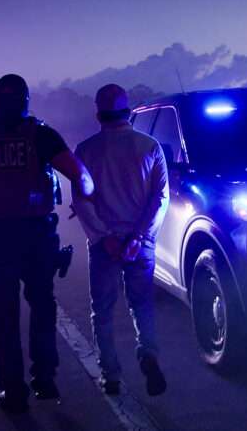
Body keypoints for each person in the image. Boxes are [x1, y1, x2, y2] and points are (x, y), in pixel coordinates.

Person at [0, 74, 94, 413]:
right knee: (42, 307)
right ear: (27, 100)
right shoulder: (42, 135)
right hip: (37, 240)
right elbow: (82, 178)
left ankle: (12, 391)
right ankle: (45, 380)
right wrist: (83, 199)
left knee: (3, 319)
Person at [73, 84, 169, 396]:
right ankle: (149, 355)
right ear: (128, 111)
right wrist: (140, 237)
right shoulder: (150, 145)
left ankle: (110, 375)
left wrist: (103, 237)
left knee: (102, 311)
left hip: (104, 245)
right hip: (140, 244)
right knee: (142, 305)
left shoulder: (85, 150)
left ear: (98, 113)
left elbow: (81, 200)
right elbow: (161, 198)